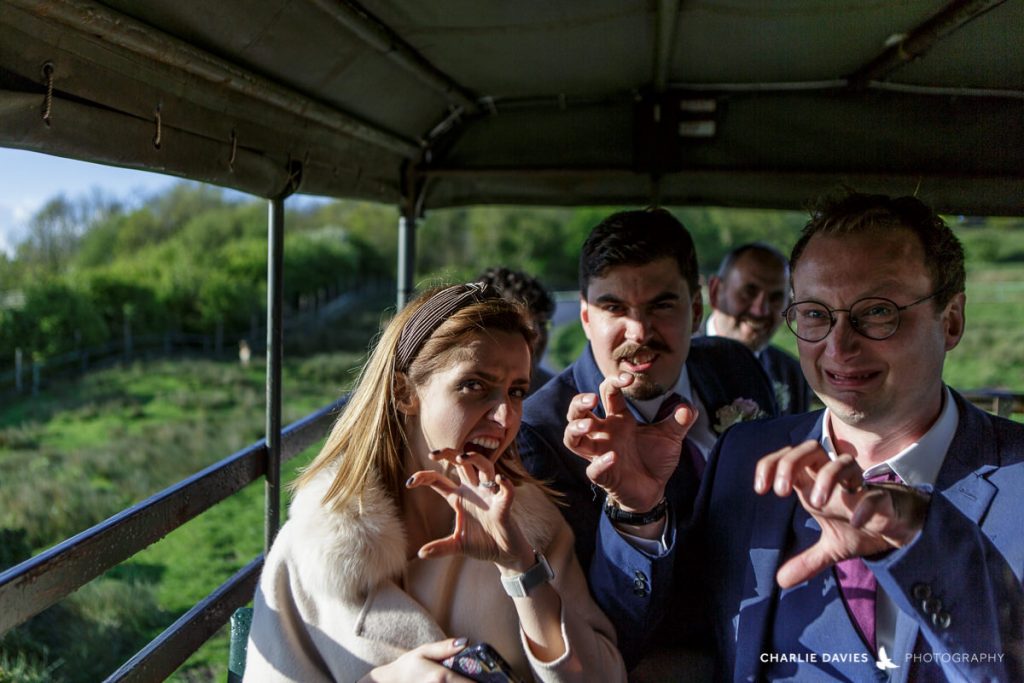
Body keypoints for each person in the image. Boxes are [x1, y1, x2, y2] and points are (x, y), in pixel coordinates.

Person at [578, 193, 1024, 681]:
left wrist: (919, 541)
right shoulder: (744, 456)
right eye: (814, 314)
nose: (838, 347)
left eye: (876, 312)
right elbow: (642, 639)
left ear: (952, 319)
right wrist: (639, 512)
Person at [244, 283, 626, 682]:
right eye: (474, 385)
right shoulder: (312, 549)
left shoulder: (534, 531)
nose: (505, 416)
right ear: (404, 392)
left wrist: (521, 569)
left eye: (516, 391)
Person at [517, 208, 778, 669]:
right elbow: (604, 634)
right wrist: (635, 513)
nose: (638, 333)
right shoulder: (544, 436)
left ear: (696, 309)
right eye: (614, 308)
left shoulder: (735, 365)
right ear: (584, 317)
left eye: (661, 305)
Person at [705, 242, 814, 414]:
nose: (760, 310)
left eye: (776, 298)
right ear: (715, 291)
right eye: (749, 291)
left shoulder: (793, 375)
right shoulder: (678, 359)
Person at [477, 266, 557, 393]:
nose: (538, 336)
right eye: (519, 325)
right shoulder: (448, 385)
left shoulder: (558, 396)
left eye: (542, 324)